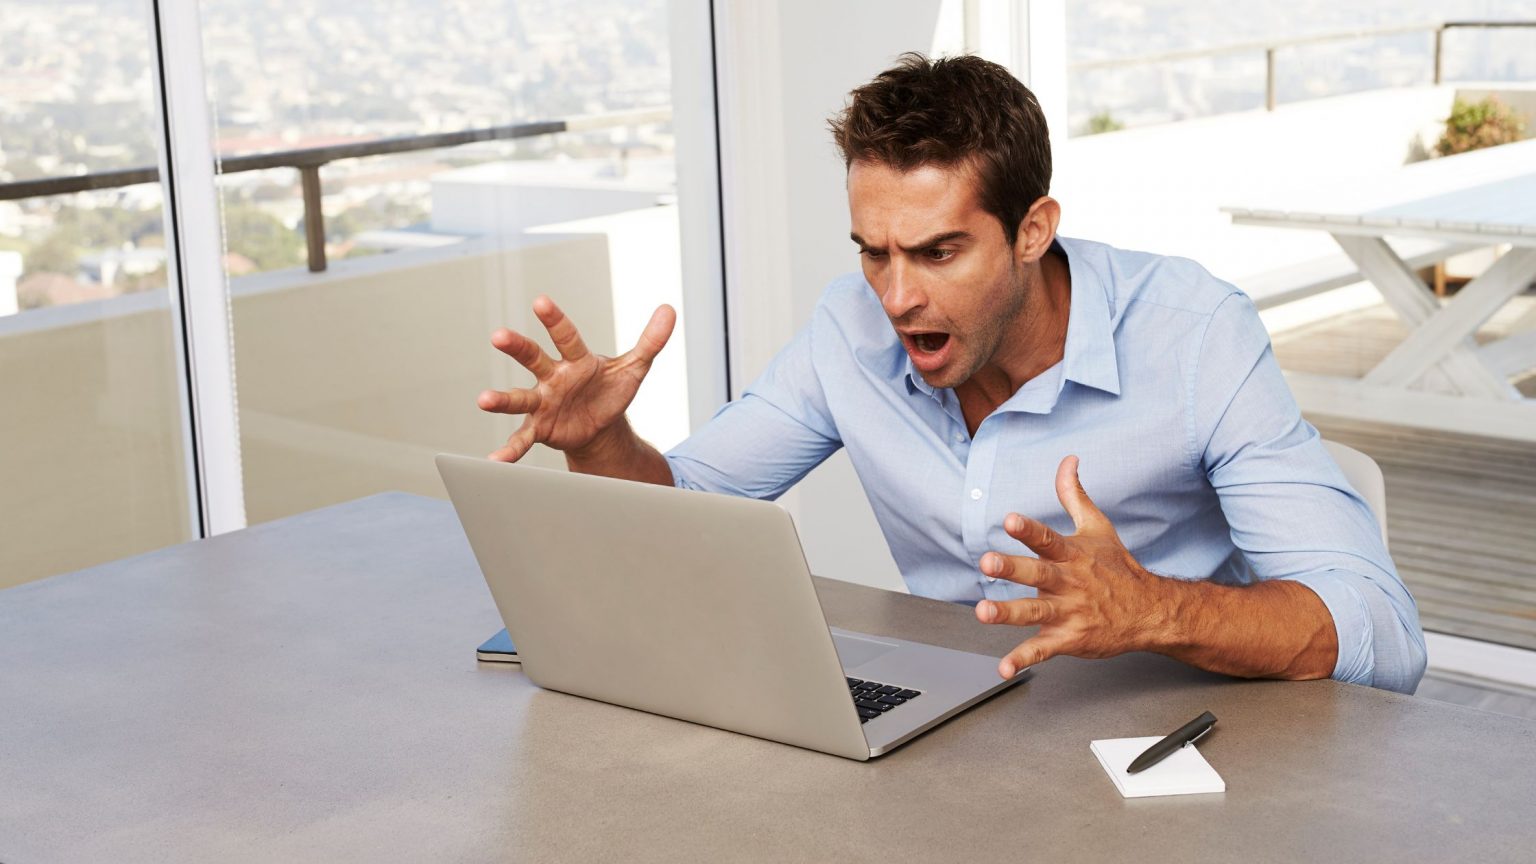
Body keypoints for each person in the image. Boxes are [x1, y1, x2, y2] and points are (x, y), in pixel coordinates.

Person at [475, 54, 1427, 694]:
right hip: (964, 721)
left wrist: (1151, 608)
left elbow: (1381, 631)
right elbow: (680, 513)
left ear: (1032, 232)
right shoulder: (847, 333)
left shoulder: (1195, 339)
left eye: (937, 252)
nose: (895, 297)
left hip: (1184, 737)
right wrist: (606, 444)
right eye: (873, 252)